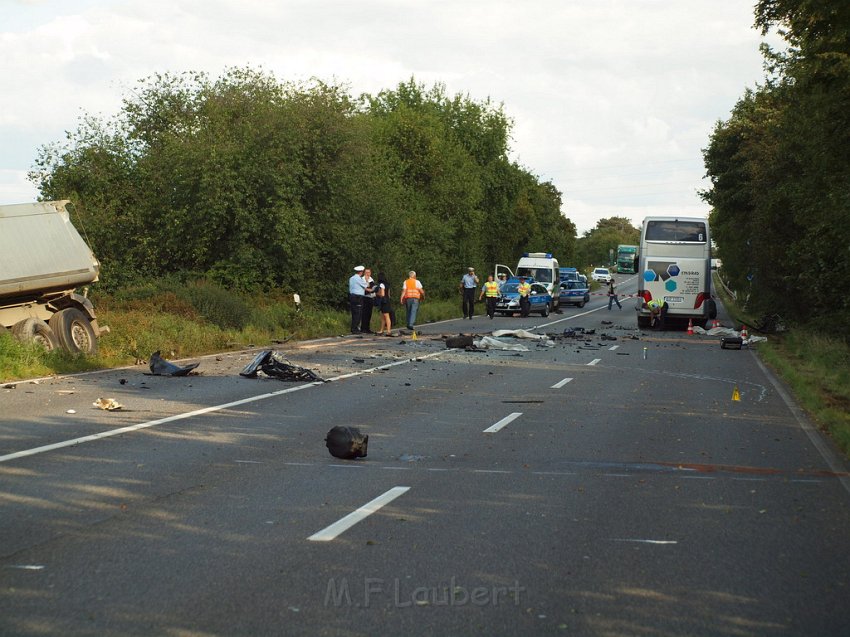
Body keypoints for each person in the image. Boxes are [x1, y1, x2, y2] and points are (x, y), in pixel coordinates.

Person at [348, 266, 367, 333]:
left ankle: (353, 328)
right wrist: (366, 279)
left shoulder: (351, 278)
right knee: (358, 313)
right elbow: (365, 285)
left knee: (354, 312)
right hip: (358, 297)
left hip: (352, 296)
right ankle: (355, 329)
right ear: (361, 272)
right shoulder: (358, 278)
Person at [360, 268, 377, 333]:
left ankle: (367, 328)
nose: (367, 274)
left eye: (369, 272)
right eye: (366, 272)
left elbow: (372, 288)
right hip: (365, 297)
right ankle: (363, 328)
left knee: (369, 313)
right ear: (364, 273)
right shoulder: (362, 279)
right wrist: (367, 282)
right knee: (364, 313)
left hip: (371, 297)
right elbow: (365, 288)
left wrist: (370, 288)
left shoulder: (371, 279)